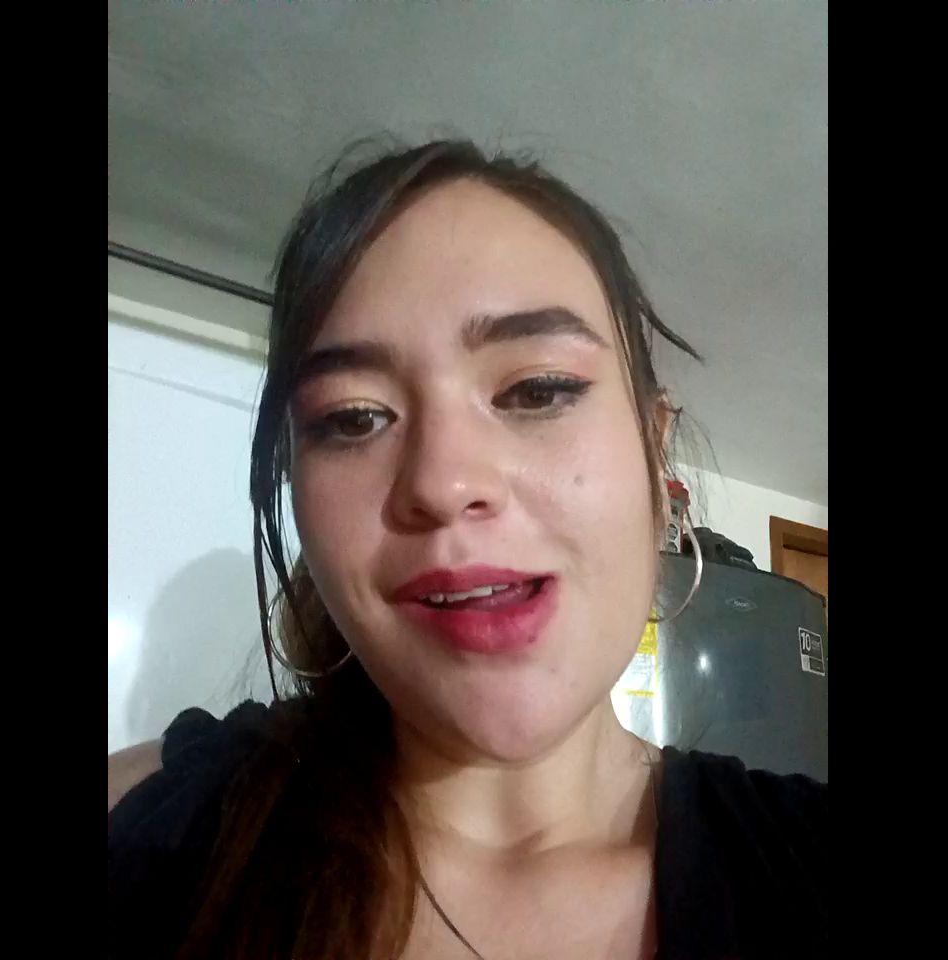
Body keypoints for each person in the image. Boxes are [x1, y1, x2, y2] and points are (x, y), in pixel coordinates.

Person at [108, 139, 827, 960]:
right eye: (353, 417)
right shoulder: (161, 841)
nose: (444, 483)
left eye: (537, 390)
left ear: (655, 454)